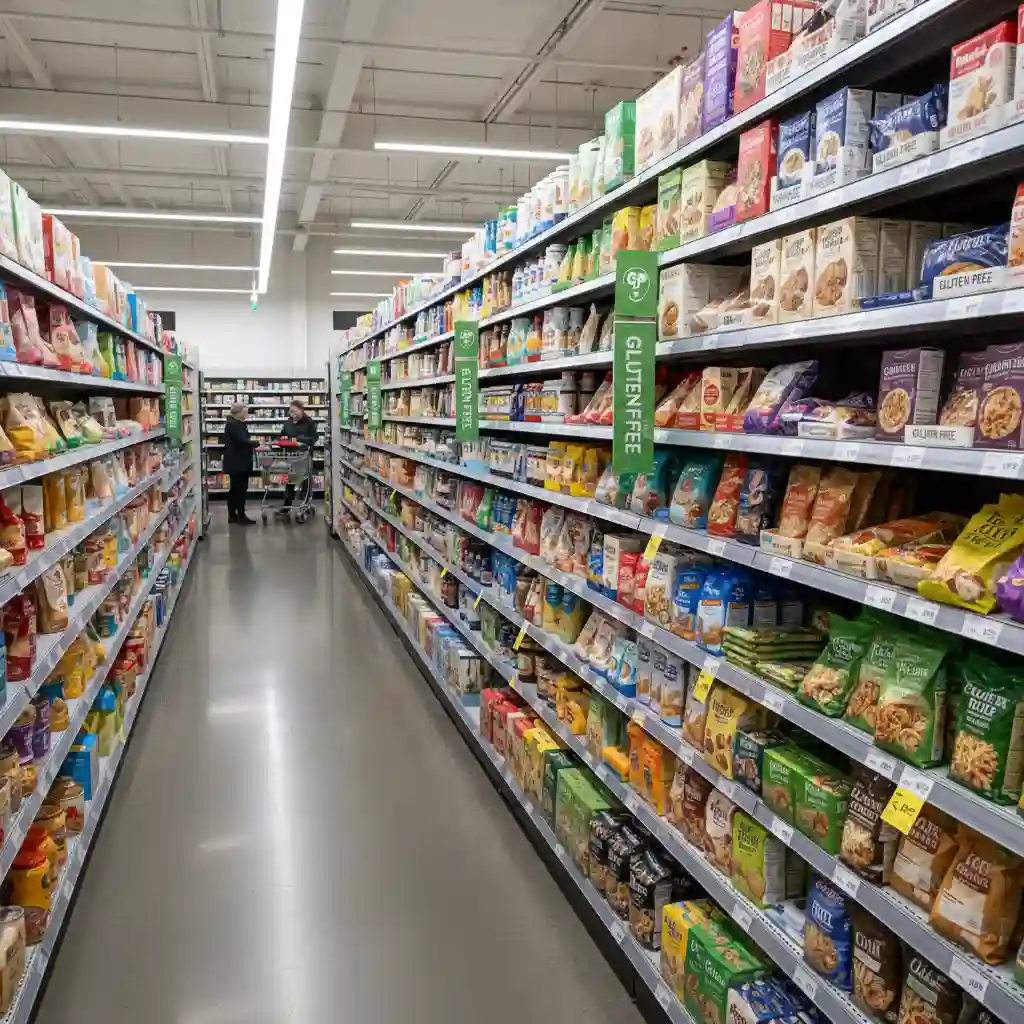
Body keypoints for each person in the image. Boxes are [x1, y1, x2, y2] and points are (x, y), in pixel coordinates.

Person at [277, 400, 318, 515]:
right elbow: (282, 436)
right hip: (290, 456)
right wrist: (283, 439)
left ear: (301, 410)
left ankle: (306, 505)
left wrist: (298, 439)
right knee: (289, 482)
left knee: (305, 482)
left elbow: (314, 439)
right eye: (291, 411)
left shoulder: (309, 422)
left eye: (295, 411)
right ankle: (287, 505)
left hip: (304, 456)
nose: (293, 413)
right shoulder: (288, 423)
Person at [222, 403, 260, 525]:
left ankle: (233, 515)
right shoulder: (233, 424)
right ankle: (240, 515)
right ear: (238, 412)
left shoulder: (236, 423)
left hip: (238, 462)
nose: (247, 413)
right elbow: (242, 440)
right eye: (245, 411)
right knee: (239, 490)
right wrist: (256, 443)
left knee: (236, 489)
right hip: (237, 463)